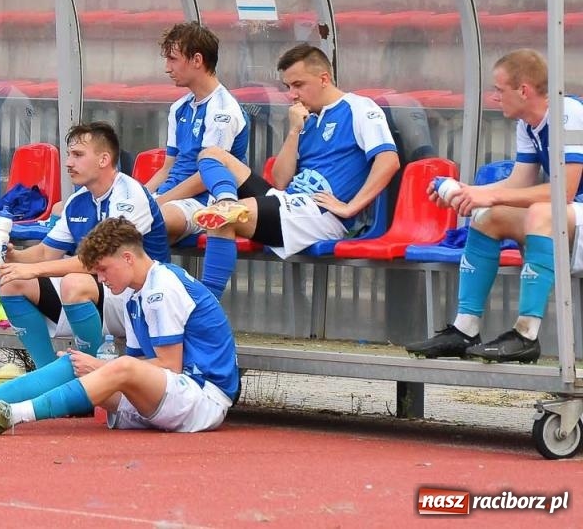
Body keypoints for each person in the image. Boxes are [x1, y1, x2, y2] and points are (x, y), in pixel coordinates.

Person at [0, 217, 238, 435]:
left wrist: (102, 366)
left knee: (116, 367)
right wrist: (95, 366)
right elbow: (146, 368)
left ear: (128, 258)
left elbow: (170, 366)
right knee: (78, 364)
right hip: (171, 393)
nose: (100, 279)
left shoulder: (161, 290)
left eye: (103, 269)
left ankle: (14, 415)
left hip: (203, 399)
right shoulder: (134, 294)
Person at [408, 49, 583, 363]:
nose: (494, 98)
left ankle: (526, 334)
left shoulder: (569, 113)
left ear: (524, 90)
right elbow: (518, 183)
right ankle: (465, 330)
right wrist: (468, 193)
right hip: (574, 215)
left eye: (499, 90)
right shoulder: (527, 124)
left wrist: (489, 196)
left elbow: (565, 191)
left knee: (542, 213)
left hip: (573, 208)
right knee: (489, 216)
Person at [194, 44, 400, 296]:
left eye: (298, 85)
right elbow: (279, 182)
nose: (292, 94)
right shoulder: (306, 120)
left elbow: (388, 160)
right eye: (288, 87)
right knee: (212, 154)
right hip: (289, 203)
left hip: (321, 215)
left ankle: (206, 309)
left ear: (324, 79)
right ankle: (226, 201)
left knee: (224, 218)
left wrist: (350, 207)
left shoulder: (359, 108)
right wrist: (293, 131)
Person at [0, 122, 168, 368]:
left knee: (75, 282)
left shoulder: (130, 195)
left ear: (104, 159)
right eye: (68, 155)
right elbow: (45, 252)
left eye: (77, 155)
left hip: (140, 296)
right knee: (13, 283)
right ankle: (45, 374)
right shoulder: (77, 201)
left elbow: (105, 261)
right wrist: (13, 257)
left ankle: (91, 378)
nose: (68, 163)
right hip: (103, 293)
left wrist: (35, 270)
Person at [144, 22, 265, 244]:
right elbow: (167, 168)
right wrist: (139, 196)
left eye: (173, 59)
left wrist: (157, 204)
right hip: (170, 198)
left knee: (147, 220)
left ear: (197, 60)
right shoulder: (179, 107)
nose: (167, 68)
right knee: (66, 209)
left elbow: (206, 177)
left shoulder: (223, 110)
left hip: (203, 201)